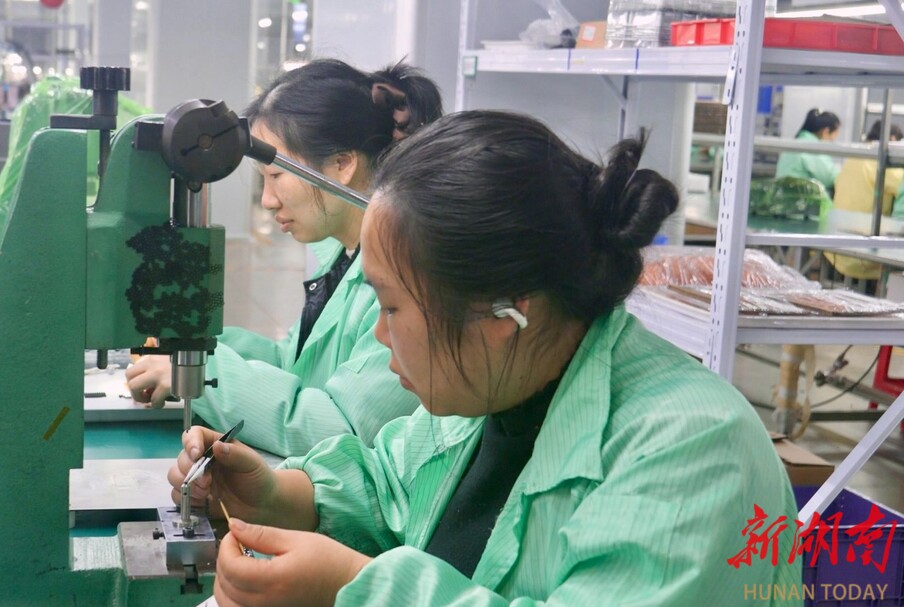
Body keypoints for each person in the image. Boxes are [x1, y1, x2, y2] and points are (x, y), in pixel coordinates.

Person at [172, 111, 801, 606]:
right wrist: (280, 495)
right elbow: (392, 485)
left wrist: (359, 590)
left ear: (504, 314)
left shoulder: (694, 451)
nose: (380, 335)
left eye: (390, 307)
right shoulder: (489, 385)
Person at [127, 59, 443, 457]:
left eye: (276, 175)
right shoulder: (343, 256)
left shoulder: (408, 279)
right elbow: (294, 364)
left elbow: (341, 430)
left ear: (342, 165)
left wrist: (204, 374)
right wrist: (192, 344)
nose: (267, 200)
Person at [827, 120, 904, 280]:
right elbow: (901, 187)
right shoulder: (883, 161)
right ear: (892, 139)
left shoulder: (856, 156)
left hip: (833, 247)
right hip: (861, 254)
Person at [775, 108, 841, 193]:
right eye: (832, 138)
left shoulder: (797, 142)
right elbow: (829, 178)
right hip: (801, 198)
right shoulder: (812, 147)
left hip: (784, 195)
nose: (832, 141)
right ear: (826, 131)